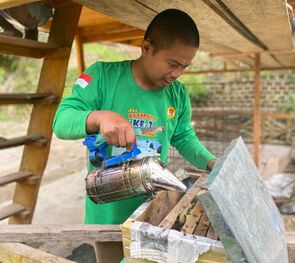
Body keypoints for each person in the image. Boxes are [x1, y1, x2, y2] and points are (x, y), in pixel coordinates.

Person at [53, 9, 216, 263]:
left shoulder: (177, 94)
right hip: (108, 216)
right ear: (146, 47)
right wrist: (99, 117)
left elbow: (183, 137)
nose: (177, 74)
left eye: (184, 66)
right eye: (173, 64)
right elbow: (61, 121)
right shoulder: (102, 77)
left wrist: (212, 163)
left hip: (153, 213)